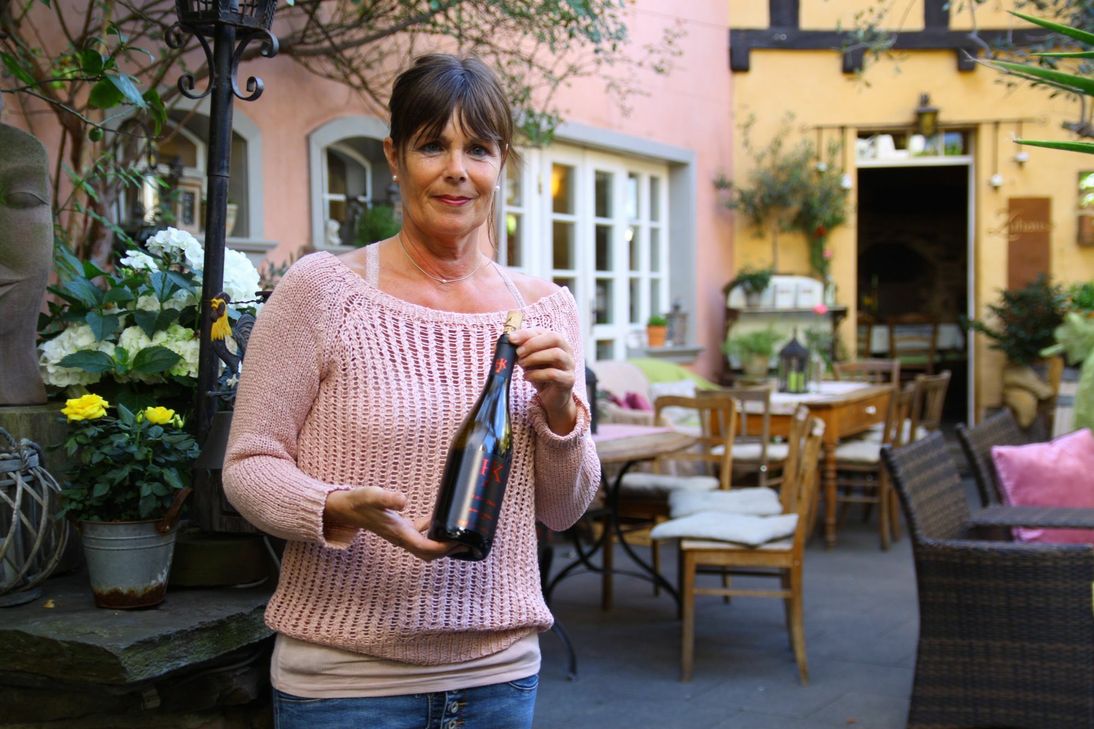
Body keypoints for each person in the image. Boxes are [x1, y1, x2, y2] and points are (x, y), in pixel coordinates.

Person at [222, 53, 600, 729]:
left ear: (500, 162)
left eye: (478, 148)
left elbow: (565, 511)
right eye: (433, 145)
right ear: (394, 157)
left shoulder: (545, 310)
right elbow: (249, 465)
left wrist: (562, 410)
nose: (458, 168)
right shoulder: (323, 291)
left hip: (497, 676)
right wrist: (336, 506)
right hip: (345, 682)